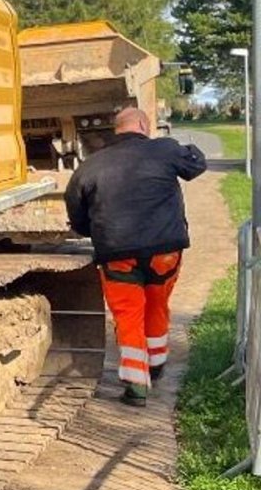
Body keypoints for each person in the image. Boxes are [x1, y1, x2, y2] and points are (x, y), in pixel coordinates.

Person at [63, 107, 207, 406]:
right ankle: (155, 366)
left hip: (117, 254)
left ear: (116, 130)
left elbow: (76, 217)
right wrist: (189, 147)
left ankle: (136, 387)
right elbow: (196, 165)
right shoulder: (164, 150)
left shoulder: (90, 166)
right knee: (157, 305)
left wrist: (95, 231)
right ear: (145, 125)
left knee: (128, 316)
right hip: (164, 252)